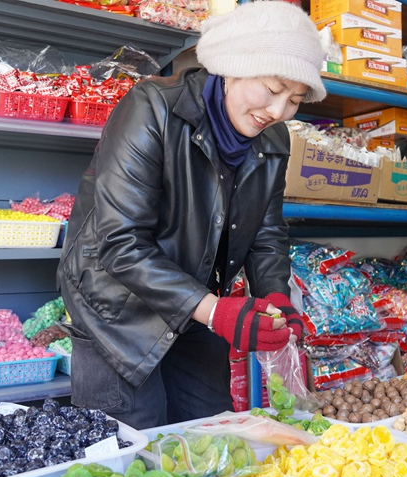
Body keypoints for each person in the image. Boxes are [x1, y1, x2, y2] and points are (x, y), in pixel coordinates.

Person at [57, 1, 326, 430]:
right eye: (272, 89)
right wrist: (216, 312)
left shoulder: (273, 139)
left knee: (210, 436)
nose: (278, 112)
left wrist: (276, 295)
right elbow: (120, 241)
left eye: (294, 100)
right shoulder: (152, 108)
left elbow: (266, 233)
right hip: (118, 311)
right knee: (133, 448)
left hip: (196, 302)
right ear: (232, 67)